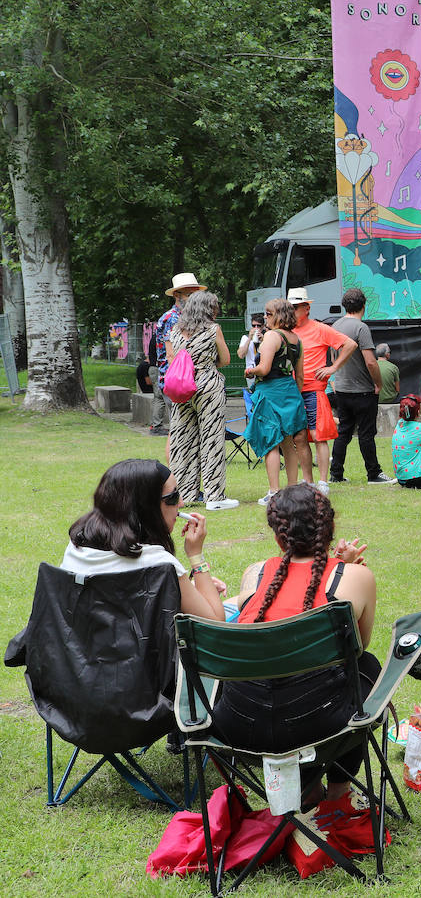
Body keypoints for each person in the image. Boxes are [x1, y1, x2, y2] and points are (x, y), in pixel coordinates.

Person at [212, 484, 378, 806]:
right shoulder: (356, 578)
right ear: (329, 529)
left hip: (239, 725)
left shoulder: (255, 574)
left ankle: (306, 791)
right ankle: (340, 790)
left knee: (282, 679)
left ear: (278, 536)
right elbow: (358, 646)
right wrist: (343, 569)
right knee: (365, 666)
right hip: (318, 727)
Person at [63, 459, 226, 621]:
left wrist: (185, 588)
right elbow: (215, 624)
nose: (181, 503)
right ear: (146, 506)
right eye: (173, 496)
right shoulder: (160, 564)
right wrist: (196, 555)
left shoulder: (77, 547)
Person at [165, 290, 238, 510]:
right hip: (207, 386)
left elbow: (171, 360)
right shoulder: (212, 329)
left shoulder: (175, 330)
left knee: (183, 441)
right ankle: (214, 496)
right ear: (209, 308)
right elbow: (225, 359)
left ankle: (185, 493)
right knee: (212, 439)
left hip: (181, 387)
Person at [288, 287, 359, 493]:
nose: (291, 311)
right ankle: (308, 481)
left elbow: (350, 344)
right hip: (293, 391)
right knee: (299, 437)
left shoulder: (320, 328)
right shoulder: (287, 331)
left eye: (295, 307)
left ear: (306, 308)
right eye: (290, 307)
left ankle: (322, 482)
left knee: (318, 435)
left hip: (313, 389)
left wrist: (333, 368)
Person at [243, 298, 309, 506]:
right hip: (289, 392)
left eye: (268, 314)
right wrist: (293, 397)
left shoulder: (272, 336)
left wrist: (250, 370)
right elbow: (300, 376)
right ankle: (291, 490)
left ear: (279, 315)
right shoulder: (297, 339)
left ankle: (274, 491)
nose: (265, 317)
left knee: (270, 442)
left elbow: (263, 369)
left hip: (270, 392)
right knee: (288, 443)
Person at [328, 288, 391, 485]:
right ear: (364, 305)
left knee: (343, 433)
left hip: (342, 389)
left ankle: (336, 474)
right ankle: (374, 474)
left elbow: (333, 358)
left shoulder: (335, 326)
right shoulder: (361, 328)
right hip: (363, 390)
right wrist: (378, 384)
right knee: (366, 434)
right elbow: (371, 362)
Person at [151, 273, 206, 438]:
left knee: (185, 431)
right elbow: (171, 354)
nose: (194, 299)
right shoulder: (172, 319)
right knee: (178, 432)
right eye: (189, 294)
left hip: (185, 381)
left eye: (196, 294)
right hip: (177, 383)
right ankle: (175, 464)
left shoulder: (188, 318)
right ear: (177, 295)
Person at [237, 313, 265, 418]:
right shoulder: (245, 338)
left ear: (263, 326)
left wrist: (262, 340)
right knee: (253, 397)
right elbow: (240, 354)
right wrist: (249, 338)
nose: (256, 328)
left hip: (263, 372)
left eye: (258, 326)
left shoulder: (267, 337)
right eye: (254, 326)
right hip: (251, 374)